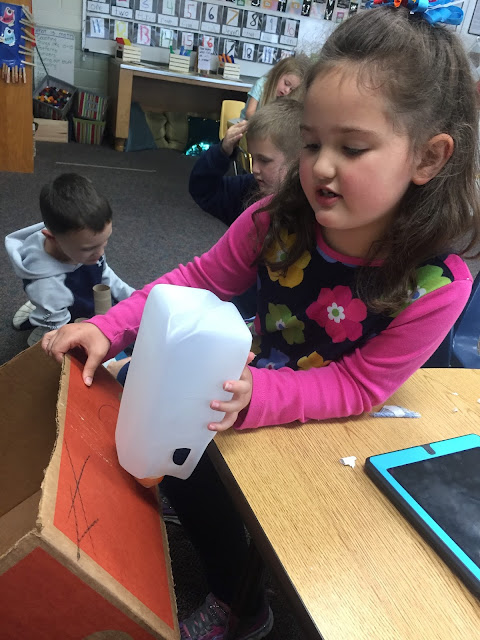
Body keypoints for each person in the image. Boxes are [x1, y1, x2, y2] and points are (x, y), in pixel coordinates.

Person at [42, 5, 480, 639]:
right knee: (149, 396)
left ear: (428, 158)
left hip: (348, 423)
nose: (321, 166)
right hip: (261, 378)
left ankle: (242, 603)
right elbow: (197, 279)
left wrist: (260, 398)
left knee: (232, 475)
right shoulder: (274, 219)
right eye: (311, 142)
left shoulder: (436, 285)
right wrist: (111, 327)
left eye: (352, 147)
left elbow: (360, 385)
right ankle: (212, 536)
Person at [6, 173, 134, 347]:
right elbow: (61, 331)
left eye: (104, 242)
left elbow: (104, 272)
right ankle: (43, 317)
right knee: (53, 333)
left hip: (75, 294)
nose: (100, 253)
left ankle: (44, 308)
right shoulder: (46, 285)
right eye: (89, 249)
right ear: (52, 238)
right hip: (58, 312)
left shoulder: (79, 242)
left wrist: (134, 297)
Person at [189, 99, 304, 226]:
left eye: (264, 160)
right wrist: (222, 152)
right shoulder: (248, 190)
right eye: (253, 158)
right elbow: (203, 189)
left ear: (297, 160)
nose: (254, 169)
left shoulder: (308, 208)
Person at [239, 54, 309, 120]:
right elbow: (249, 113)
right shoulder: (261, 85)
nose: (287, 90)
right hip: (245, 124)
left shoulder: (285, 97)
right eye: (286, 83)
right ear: (277, 74)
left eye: (291, 89)